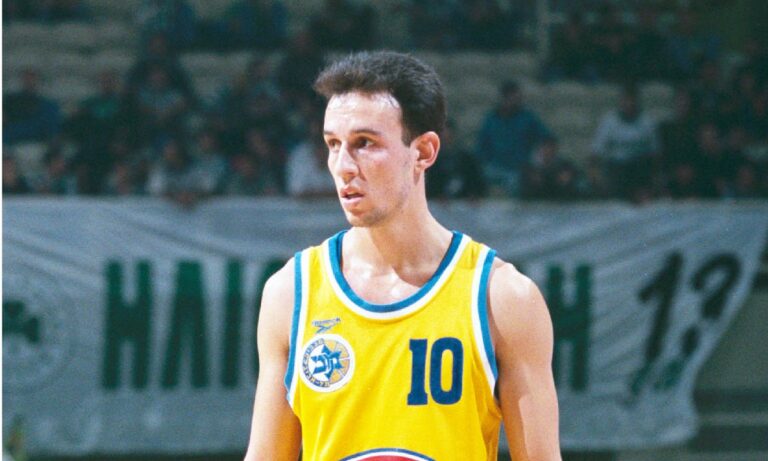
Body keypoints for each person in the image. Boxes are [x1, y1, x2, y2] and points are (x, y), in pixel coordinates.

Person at [244, 51, 560, 461]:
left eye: (364, 143)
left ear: (424, 151)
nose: (342, 166)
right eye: (333, 144)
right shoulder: (290, 293)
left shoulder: (502, 298)